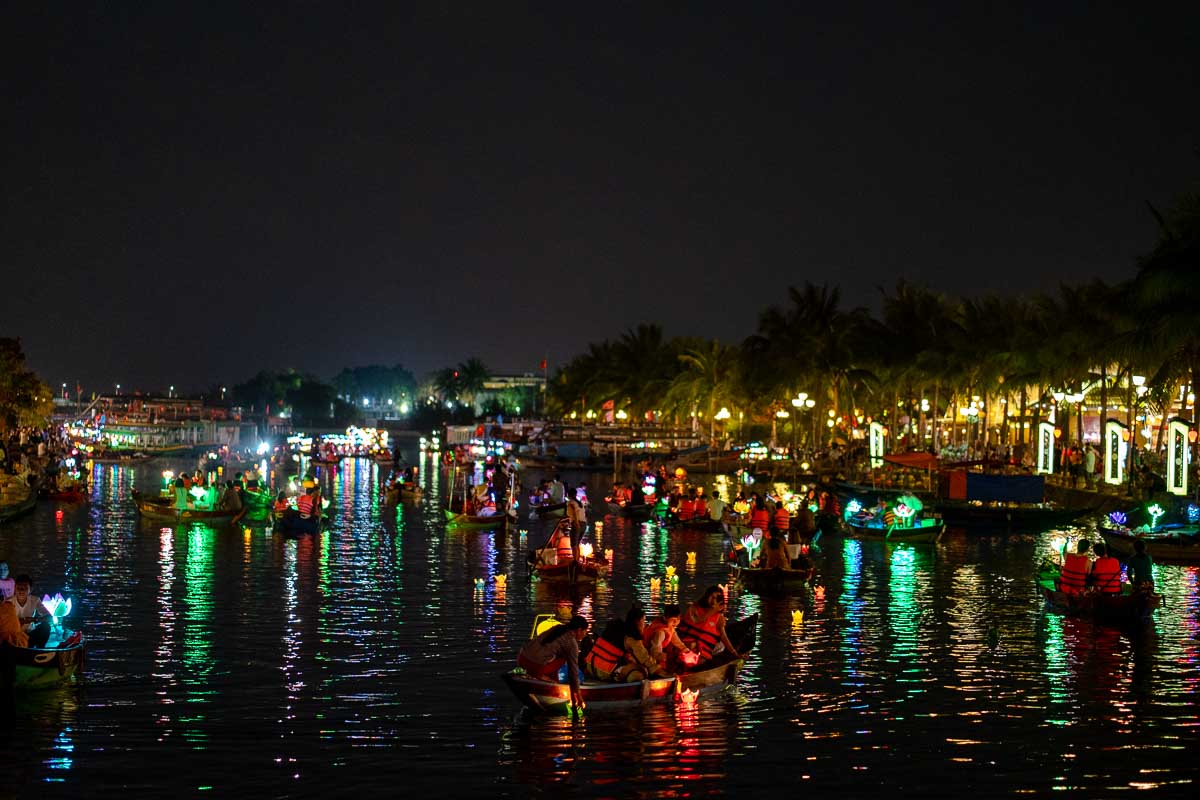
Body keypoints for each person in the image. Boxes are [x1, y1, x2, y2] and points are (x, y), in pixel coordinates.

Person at [518, 615, 589, 709]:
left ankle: (548, 679)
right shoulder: (572, 643)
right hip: (535, 666)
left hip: (522, 658)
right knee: (565, 658)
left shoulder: (557, 628)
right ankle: (542, 676)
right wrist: (578, 697)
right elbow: (573, 672)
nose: (585, 634)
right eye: (585, 631)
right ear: (579, 630)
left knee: (556, 656)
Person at [677, 586, 740, 663]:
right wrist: (712, 611)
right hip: (685, 645)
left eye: (716, 598)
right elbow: (697, 621)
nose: (713, 600)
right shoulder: (693, 608)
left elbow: (723, 636)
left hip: (703, 651)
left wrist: (734, 653)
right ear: (706, 596)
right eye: (712, 597)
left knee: (721, 646)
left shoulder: (719, 617)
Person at [614, 606, 669, 681]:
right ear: (637, 622)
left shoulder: (621, 632)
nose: (644, 624)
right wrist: (660, 671)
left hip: (599, 668)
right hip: (614, 671)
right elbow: (644, 658)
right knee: (641, 674)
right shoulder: (632, 638)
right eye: (643, 620)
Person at [644, 604, 696, 673]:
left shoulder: (669, 628)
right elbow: (655, 652)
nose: (675, 622)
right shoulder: (660, 632)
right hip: (649, 655)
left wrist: (687, 651)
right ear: (665, 618)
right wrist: (671, 657)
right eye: (673, 620)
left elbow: (678, 642)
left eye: (678, 619)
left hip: (659, 653)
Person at [8, 574, 52, 648]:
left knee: (46, 627)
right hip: (14, 637)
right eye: (19, 587)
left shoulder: (35, 600)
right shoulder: (9, 602)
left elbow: (49, 616)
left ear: (30, 590)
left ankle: (40, 650)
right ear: (15, 588)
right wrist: (25, 620)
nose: (21, 591)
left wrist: (36, 619)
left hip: (29, 635)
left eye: (25, 588)